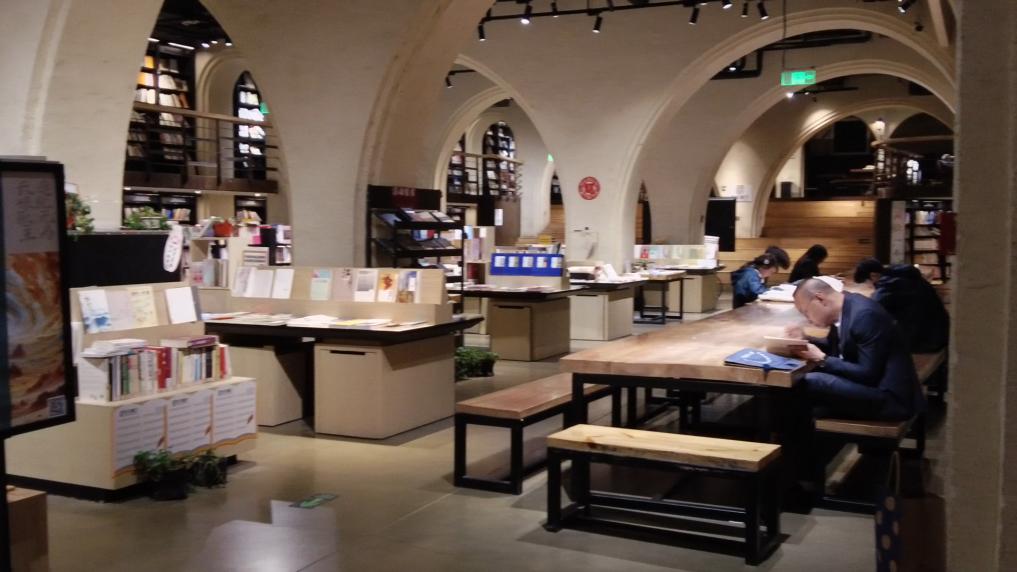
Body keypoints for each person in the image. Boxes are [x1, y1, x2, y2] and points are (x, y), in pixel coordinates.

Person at [785, 278, 923, 421]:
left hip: (891, 399)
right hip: (870, 386)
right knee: (804, 398)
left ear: (820, 299)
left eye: (806, 312)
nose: (807, 319)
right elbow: (837, 346)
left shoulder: (865, 315)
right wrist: (805, 339)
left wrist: (822, 359)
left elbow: (868, 374)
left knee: (812, 381)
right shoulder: (845, 306)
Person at [853, 257, 949, 353]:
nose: (870, 287)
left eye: (867, 283)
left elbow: (871, 314)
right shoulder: (901, 274)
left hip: (926, 342)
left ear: (873, 276)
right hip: (939, 333)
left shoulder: (888, 286)